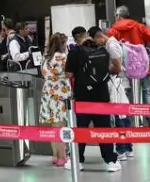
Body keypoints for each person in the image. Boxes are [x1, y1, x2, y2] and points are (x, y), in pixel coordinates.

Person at [64, 27, 121, 172]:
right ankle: (111, 160)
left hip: (83, 96)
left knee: (81, 128)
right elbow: (109, 68)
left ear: (76, 38)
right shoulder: (101, 49)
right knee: (104, 128)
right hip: (102, 94)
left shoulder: (75, 52)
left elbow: (69, 74)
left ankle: (77, 160)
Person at [107, 5, 150, 123]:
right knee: (147, 92)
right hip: (141, 66)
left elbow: (106, 44)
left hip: (124, 66)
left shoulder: (113, 30)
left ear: (118, 16)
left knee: (124, 92)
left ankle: (126, 120)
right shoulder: (138, 26)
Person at [90, 27, 132, 161]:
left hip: (116, 83)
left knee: (118, 116)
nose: (97, 44)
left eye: (96, 41)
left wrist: (104, 70)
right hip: (120, 83)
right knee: (123, 115)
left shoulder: (111, 46)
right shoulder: (113, 43)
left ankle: (121, 149)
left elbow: (117, 67)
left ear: (99, 36)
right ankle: (127, 147)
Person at [39, 33, 71, 166]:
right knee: (61, 126)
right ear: (62, 44)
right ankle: (63, 156)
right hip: (60, 92)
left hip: (48, 92)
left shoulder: (45, 58)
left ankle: (55, 155)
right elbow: (69, 72)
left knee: (54, 127)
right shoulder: (63, 57)